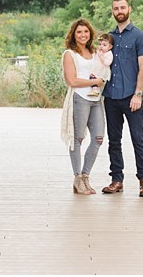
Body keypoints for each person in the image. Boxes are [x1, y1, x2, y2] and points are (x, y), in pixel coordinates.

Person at [102, 0, 143, 197]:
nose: (119, 11)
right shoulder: (108, 38)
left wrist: (138, 94)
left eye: (122, 7)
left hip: (132, 97)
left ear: (129, 9)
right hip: (111, 97)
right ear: (113, 11)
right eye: (116, 8)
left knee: (138, 138)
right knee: (114, 140)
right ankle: (116, 180)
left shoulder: (140, 37)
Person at [59, 18, 108, 195]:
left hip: (96, 100)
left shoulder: (95, 52)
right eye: (79, 32)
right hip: (79, 99)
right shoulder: (69, 54)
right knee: (77, 139)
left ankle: (85, 176)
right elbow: (71, 80)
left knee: (98, 138)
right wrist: (94, 81)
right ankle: (77, 178)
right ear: (73, 34)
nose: (83, 35)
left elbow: (103, 69)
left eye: (86, 32)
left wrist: (102, 78)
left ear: (90, 34)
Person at [88, 33, 114, 98]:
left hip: (103, 70)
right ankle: (94, 89)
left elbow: (108, 63)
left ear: (110, 47)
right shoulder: (99, 51)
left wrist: (101, 57)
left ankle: (95, 91)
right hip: (97, 68)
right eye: (100, 44)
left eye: (104, 45)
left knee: (98, 79)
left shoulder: (109, 54)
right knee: (92, 76)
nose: (101, 46)